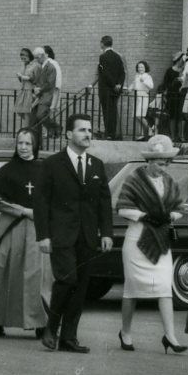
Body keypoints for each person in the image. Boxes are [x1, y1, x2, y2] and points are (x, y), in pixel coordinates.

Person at [35, 112, 114, 354]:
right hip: (61, 235)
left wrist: (106, 233)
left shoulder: (97, 165)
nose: (88, 134)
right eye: (82, 130)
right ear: (69, 134)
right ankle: (51, 327)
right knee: (66, 280)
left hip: (88, 237)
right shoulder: (52, 164)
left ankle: (69, 337)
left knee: (80, 288)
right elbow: (41, 202)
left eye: (90, 130)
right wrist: (43, 235)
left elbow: (103, 203)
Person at [114, 136, 186, 354]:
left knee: (165, 287)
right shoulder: (134, 180)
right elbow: (122, 208)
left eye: (165, 163)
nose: (162, 167)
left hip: (161, 239)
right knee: (133, 289)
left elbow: (179, 208)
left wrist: (169, 216)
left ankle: (170, 336)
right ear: (149, 161)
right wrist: (145, 215)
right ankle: (125, 332)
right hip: (137, 240)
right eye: (158, 163)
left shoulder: (169, 182)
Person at [0, 128, 51, 340]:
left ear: (35, 146)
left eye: (28, 144)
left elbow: (53, 196)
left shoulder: (44, 169)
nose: (24, 147)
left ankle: (40, 322)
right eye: (20, 143)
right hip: (12, 226)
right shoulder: (7, 170)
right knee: (4, 270)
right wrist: (24, 211)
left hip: (37, 229)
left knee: (37, 275)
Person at [96, 35, 126, 140]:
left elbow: (105, 73)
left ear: (103, 43)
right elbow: (122, 72)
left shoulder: (103, 57)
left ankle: (109, 134)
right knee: (113, 111)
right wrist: (118, 84)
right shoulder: (118, 56)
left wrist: (113, 84)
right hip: (116, 90)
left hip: (106, 89)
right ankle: (113, 133)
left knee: (106, 111)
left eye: (100, 42)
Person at [159, 52, 188, 144]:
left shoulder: (185, 70)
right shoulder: (170, 70)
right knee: (172, 116)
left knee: (181, 116)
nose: (182, 62)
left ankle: (181, 135)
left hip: (181, 95)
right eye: (181, 60)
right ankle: (172, 136)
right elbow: (166, 83)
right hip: (172, 95)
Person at [128, 60, 158, 142]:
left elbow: (151, 86)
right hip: (137, 96)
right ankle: (142, 134)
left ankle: (149, 129)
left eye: (142, 67)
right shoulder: (137, 76)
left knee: (139, 115)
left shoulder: (147, 76)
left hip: (143, 96)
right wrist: (129, 89)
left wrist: (143, 81)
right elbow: (134, 84)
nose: (140, 68)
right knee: (137, 115)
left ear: (145, 68)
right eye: (138, 67)